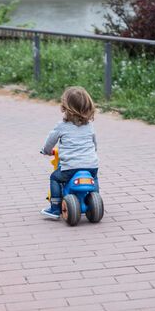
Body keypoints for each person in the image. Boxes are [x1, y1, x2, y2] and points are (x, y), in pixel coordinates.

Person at [40, 86, 99, 219]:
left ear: (65, 108)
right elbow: (94, 144)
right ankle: (95, 197)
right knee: (94, 179)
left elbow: (51, 141)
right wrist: (91, 153)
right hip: (91, 165)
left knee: (54, 178)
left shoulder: (61, 126)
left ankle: (55, 208)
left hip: (70, 168)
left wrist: (46, 151)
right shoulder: (89, 126)